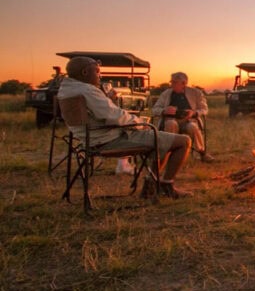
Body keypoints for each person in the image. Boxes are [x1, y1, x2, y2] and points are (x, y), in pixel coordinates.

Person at [57, 56, 192, 198]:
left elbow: (101, 114)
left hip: (92, 140)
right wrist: (140, 123)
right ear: (85, 72)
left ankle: (152, 184)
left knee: (164, 140)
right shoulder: (87, 90)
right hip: (110, 140)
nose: (99, 75)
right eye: (96, 71)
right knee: (183, 141)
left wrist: (109, 100)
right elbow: (115, 116)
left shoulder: (66, 90)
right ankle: (166, 185)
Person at [152, 72, 214, 162]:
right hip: (170, 119)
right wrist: (164, 110)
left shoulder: (196, 93)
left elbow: (204, 109)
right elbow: (155, 109)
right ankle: (168, 153)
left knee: (192, 127)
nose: (171, 84)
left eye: (174, 82)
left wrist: (193, 113)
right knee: (171, 123)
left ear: (184, 83)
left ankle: (202, 152)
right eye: (171, 82)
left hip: (189, 120)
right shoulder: (166, 94)